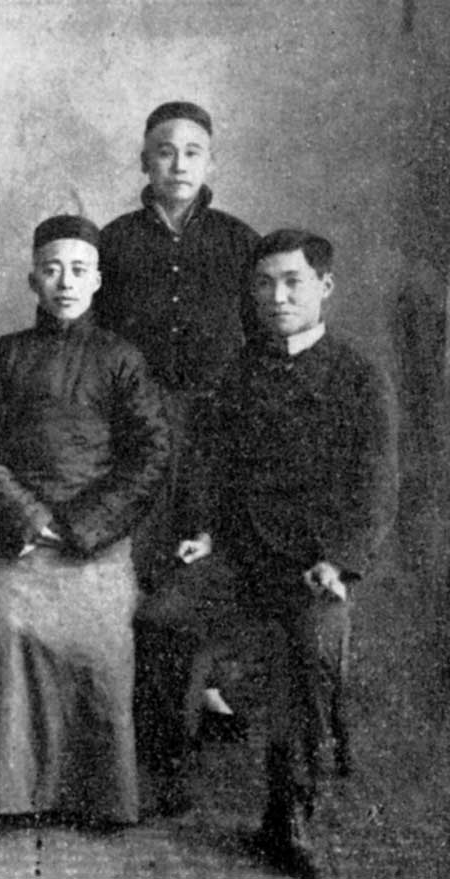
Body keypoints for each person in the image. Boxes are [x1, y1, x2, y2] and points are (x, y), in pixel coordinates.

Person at [138, 230, 397, 878]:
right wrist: (204, 531)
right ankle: (169, 771)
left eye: (292, 282)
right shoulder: (238, 372)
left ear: (324, 287)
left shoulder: (358, 377)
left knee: (310, 648)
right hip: (238, 556)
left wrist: (338, 561)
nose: (277, 297)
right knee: (160, 617)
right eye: (264, 284)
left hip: (311, 566)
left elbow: (375, 485)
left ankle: (289, 813)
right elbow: (208, 465)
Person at [0, 215, 170, 827]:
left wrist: (80, 526)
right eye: (52, 270)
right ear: (33, 280)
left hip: (94, 540)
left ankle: (99, 796)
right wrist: (29, 518)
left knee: (103, 639)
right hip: (16, 540)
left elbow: (150, 455)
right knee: (3, 624)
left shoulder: (122, 359)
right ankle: (6, 794)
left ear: (98, 280)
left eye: (78, 270)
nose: (65, 282)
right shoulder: (5, 356)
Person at [96, 101, 261, 743]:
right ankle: (139, 696)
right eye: (165, 151)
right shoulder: (113, 242)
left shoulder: (238, 241)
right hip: (132, 422)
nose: (179, 164)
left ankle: (207, 684)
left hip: (216, 423)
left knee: (207, 546)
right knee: (140, 548)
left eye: (193, 152)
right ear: (144, 162)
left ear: (211, 162)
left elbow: (257, 342)